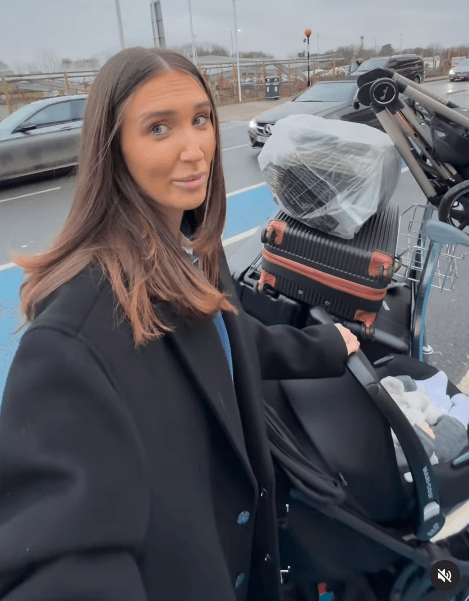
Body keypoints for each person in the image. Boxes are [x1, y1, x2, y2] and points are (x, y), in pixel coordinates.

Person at [0, 47, 359, 601]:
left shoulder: (189, 253)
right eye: (159, 128)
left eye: (200, 119)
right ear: (113, 150)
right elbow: (58, 560)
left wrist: (327, 345)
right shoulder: (72, 336)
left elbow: (231, 345)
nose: (195, 150)